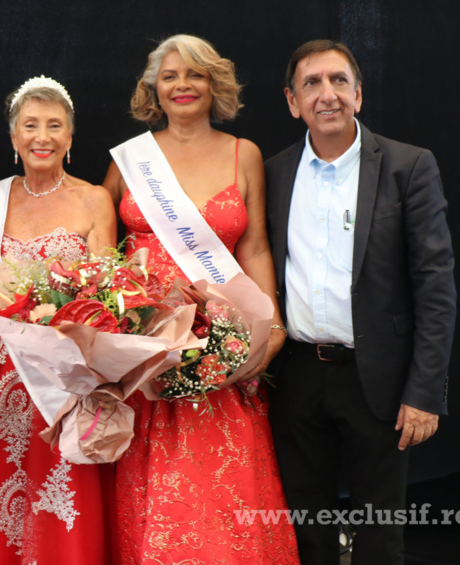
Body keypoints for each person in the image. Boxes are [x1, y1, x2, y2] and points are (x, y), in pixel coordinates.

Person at [103, 34, 300, 563]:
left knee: (222, 490)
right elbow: (104, 259)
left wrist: (271, 326)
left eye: (194, 74)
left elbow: (255, 246)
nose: (182, 85)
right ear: (154, 89)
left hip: (223, 349)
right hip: (146, 354)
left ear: (215, 84)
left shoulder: (245, 154)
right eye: (170, 76)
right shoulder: (129, 161)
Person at [264, 39, 456, 564]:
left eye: (338, 81)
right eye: (311, 83)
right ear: (291, 101)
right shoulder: (274, 172)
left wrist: (425, 391)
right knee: (306, 527)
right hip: (297, 375)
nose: (327, 94)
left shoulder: (407, 166)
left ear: (359, 93)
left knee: (379, 534)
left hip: (381, 380)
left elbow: (436, 287)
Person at [0, 76, 117, 564]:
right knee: (5, 487)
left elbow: (109, 297)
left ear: (70, 138)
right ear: (13, 138)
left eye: (54, 125)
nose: (42, 136)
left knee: (64, 490)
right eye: (30, 125)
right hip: (8, 376)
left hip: (68, 376)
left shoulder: (94, 199)